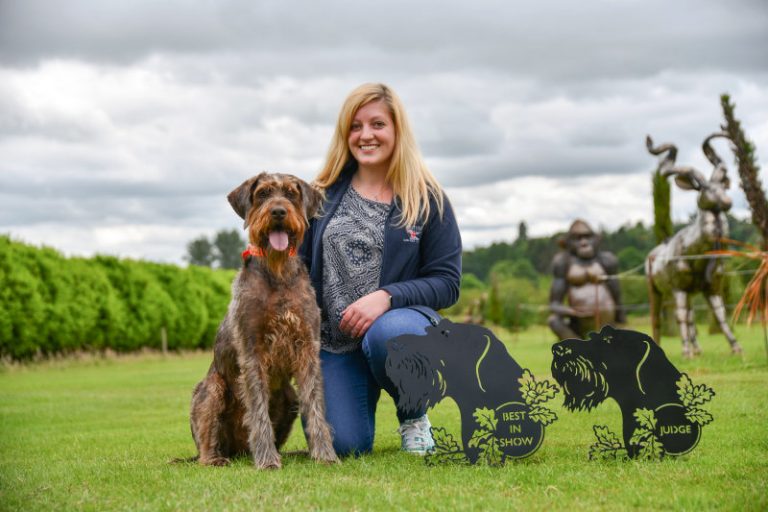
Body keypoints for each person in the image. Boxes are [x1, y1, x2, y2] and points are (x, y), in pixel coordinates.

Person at [300, 83, 462, 456]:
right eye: (355, 126)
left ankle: (413, 416)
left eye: (377, 124)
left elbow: (447, 283)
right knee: (343, 446)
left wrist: (387, 297)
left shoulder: (427, 198)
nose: (366, 135)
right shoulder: (318, 195)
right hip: (334, 344)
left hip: (398, 329)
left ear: (396, 130)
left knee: (391, 334)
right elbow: (299, 269)